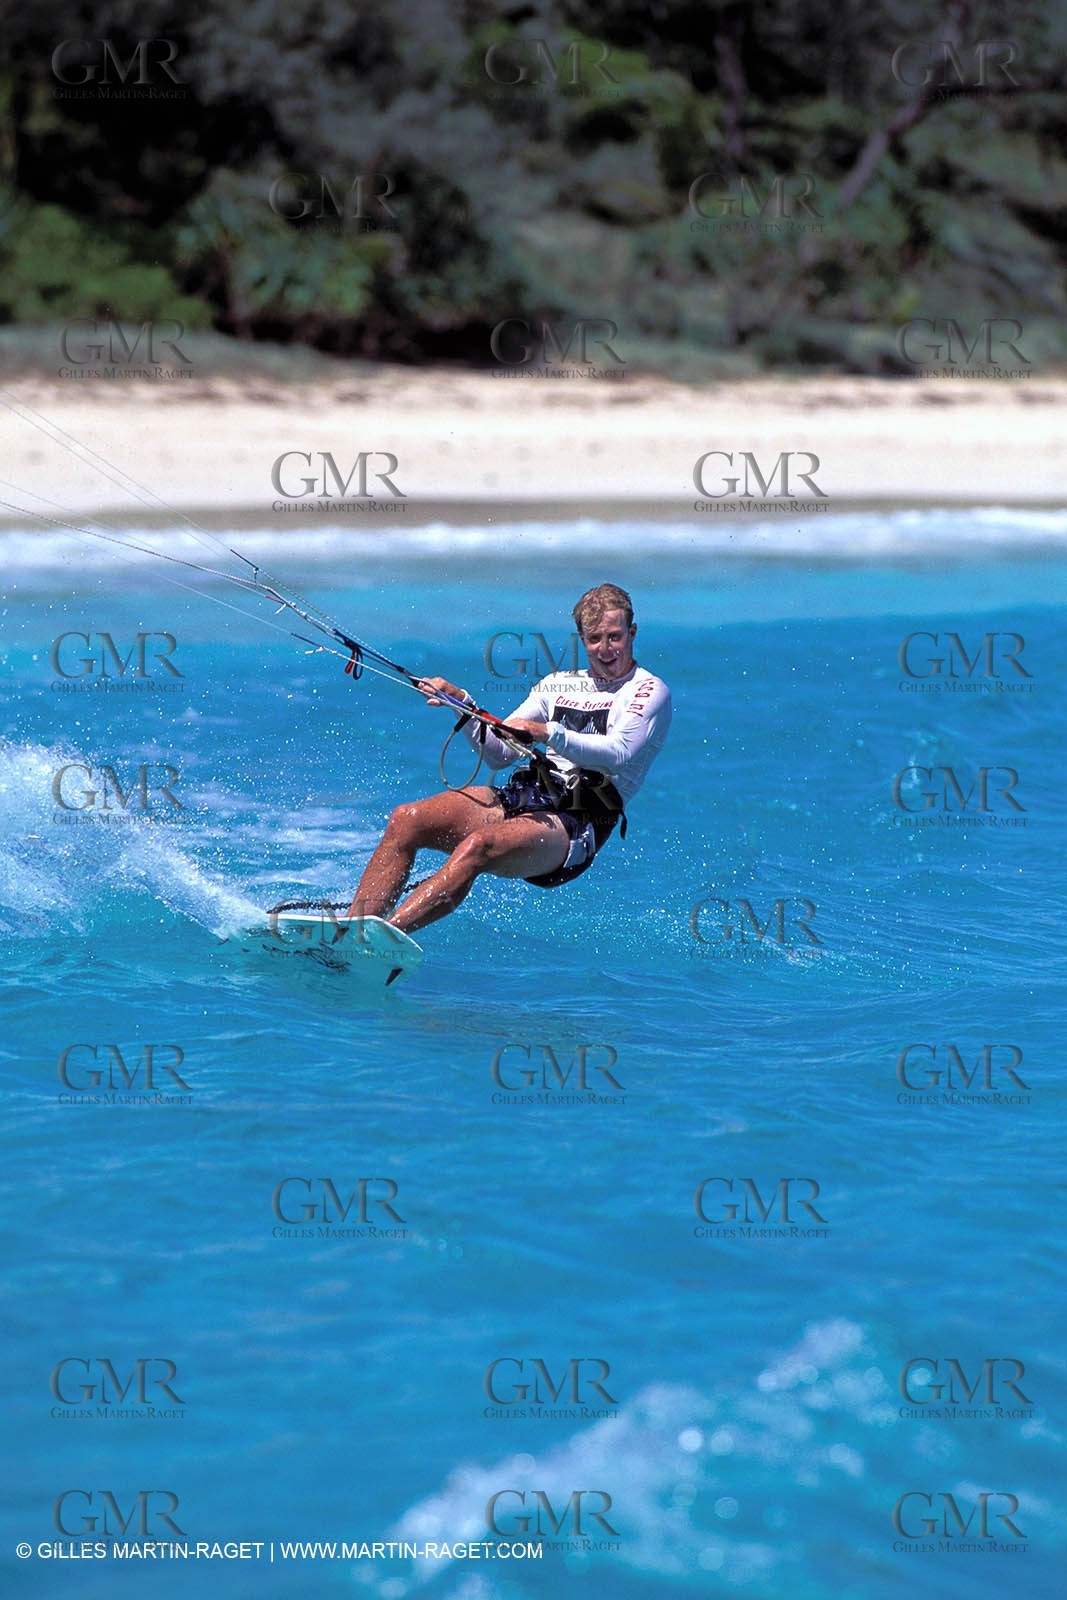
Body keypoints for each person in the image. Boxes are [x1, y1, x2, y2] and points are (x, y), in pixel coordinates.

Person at [346, 582, 671, 934]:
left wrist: (547, 732)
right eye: (595, 639)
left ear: (631, 632)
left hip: (575, 824)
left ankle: (379, 939)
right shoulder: (558, 684)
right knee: (406, 820)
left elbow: (619, 754)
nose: (606, 649)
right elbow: (499, 755)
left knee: (477, 847)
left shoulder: (648, 691)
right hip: (526, 797)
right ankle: (350, 931)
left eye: (614, 637)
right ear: (581, 639)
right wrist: (463, 705)